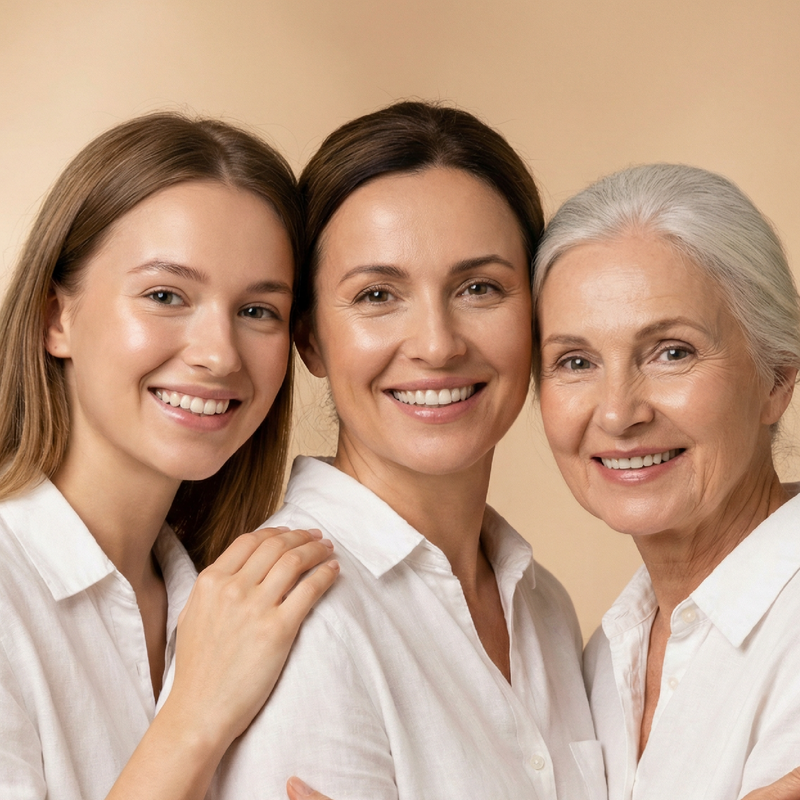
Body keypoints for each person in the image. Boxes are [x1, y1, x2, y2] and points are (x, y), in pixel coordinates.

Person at [206, 100, 601, 800]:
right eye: (378, 294)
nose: (438, 343)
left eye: (479, 288)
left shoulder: (542, 606)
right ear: (309, 339)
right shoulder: (296, 621)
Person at [0, 112, 338, 800]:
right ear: (55, 319)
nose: (218, 354)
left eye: (258, 311)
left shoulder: (236, 594)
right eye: (165, 295)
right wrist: (194, 717)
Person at [534, 163, 800, 799]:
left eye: (672, 352)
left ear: (777, 378)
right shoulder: (604, 654)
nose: (620, 413)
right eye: (576, 361)